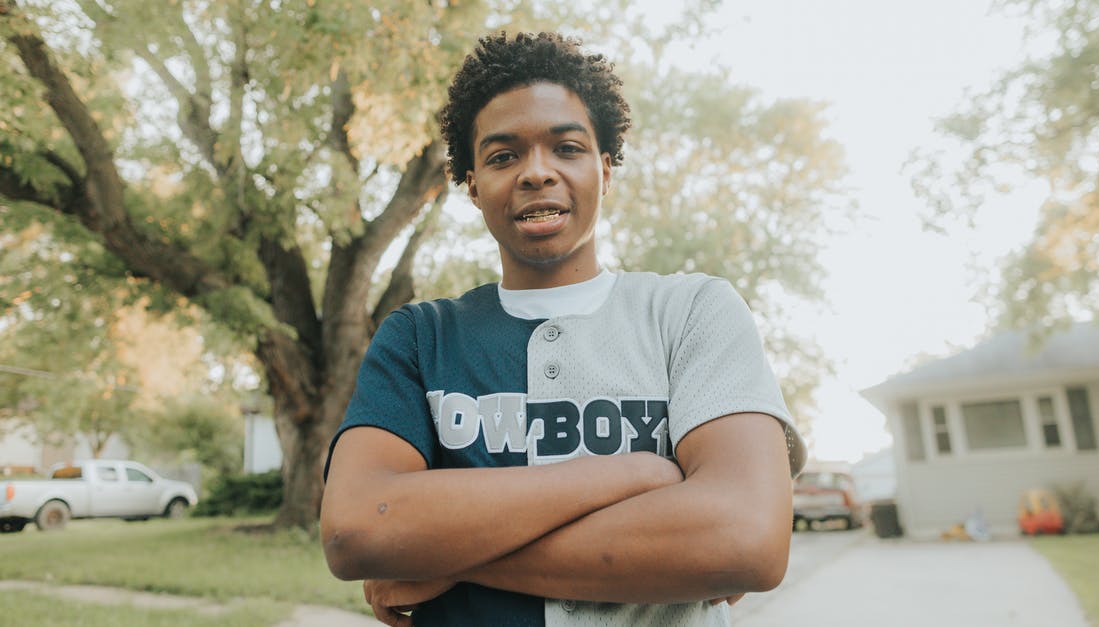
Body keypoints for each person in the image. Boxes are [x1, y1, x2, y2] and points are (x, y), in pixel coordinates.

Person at [320, 31, 806, 627]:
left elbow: (744, 538)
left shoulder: (693, 312)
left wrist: (443, 553)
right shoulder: (419, 338)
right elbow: (355, 527)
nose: (536, 173)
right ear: (472, 185)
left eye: (567, 148)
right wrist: (635, 473)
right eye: (502, 157)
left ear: (605, 169)